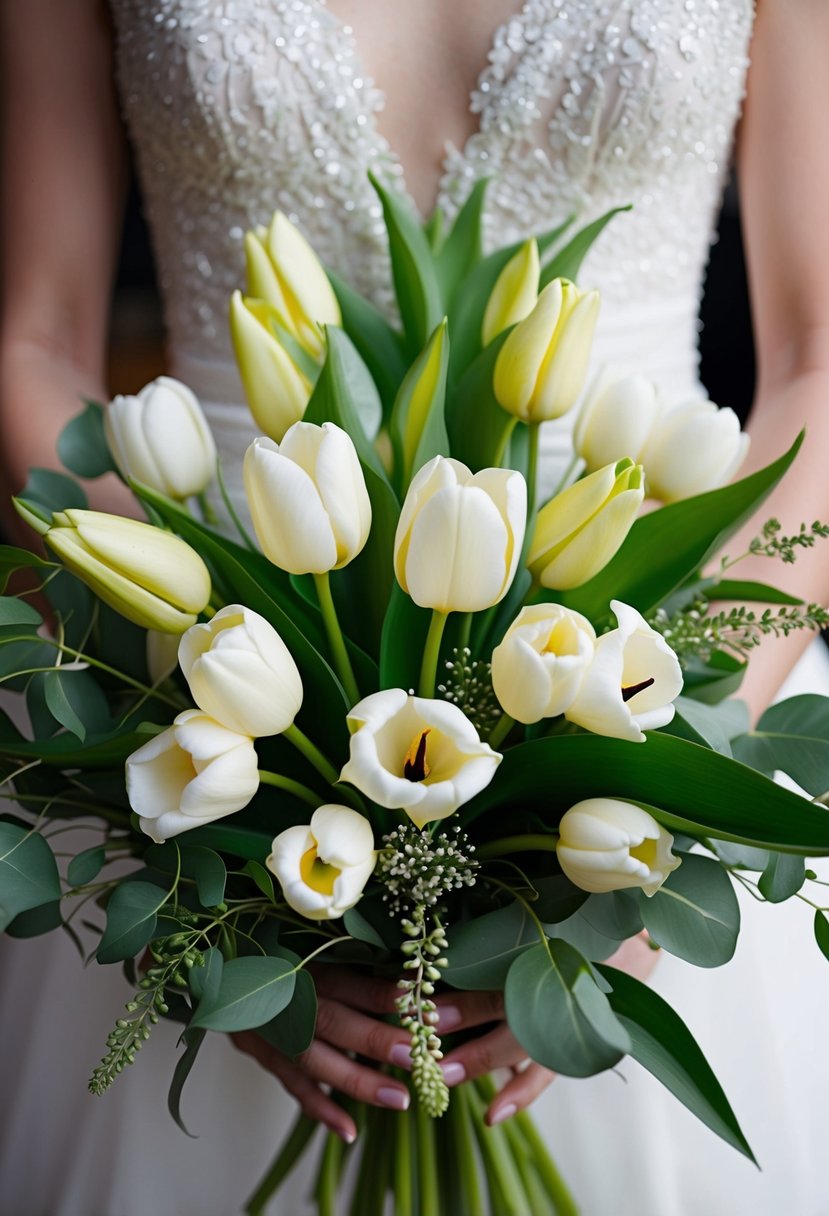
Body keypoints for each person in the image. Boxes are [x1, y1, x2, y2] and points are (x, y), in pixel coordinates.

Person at [1, 2, 828, 1213]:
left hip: (650, 664)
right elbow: (31, 336)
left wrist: (665, 795)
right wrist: (210, 827)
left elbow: (817, 357)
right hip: (216, 719)